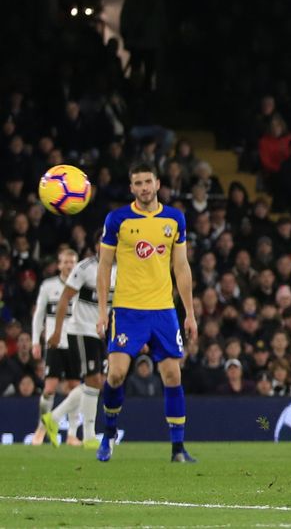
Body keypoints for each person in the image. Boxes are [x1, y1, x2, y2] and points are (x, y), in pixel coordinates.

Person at [95, 163, 198, 463]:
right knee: (115, 375)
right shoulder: (118, 220)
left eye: (147, 182)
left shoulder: (174, 218)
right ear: (131, 188)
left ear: (157, 183)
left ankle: (177, 448)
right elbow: (103, 268)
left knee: (172, 375)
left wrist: (189, 313)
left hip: (163, 310)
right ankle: (110, 433)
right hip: (127, 309)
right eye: (137, 182)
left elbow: (181, 267)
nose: (143, 187)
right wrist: (103, 312)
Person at [43, 243, 117, 448]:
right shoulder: (85, 268)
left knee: (98, 382)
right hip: (81, 330)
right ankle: (89, 436)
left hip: (100, 333)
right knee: (93, 380)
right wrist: (57, 332)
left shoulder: (120, 270)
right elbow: (65, 298)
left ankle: (54, 417)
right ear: (97, 246)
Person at [31, 248, 79, 446]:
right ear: (59, 265)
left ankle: (72, 435)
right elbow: (39, 315)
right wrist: (35, 341)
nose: (68, 265)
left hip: (76, 342)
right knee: (49, 388)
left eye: (72, 262)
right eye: (65, 262)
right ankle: (42, 428)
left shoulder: (82, 287)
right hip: (54, 343)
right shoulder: (48, 286)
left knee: (74, 389)